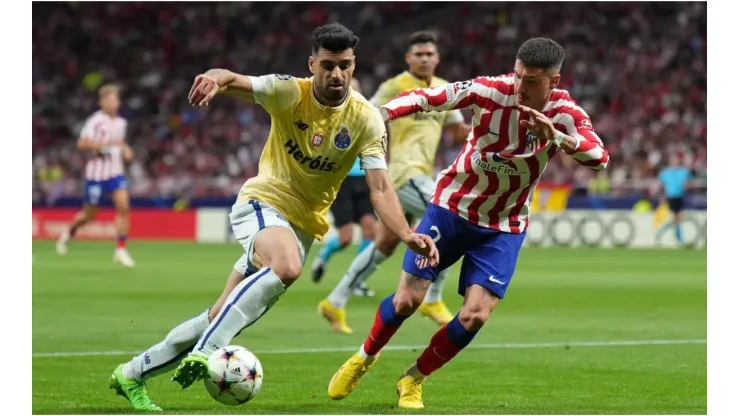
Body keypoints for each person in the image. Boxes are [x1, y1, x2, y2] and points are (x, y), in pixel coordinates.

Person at [107, 23, 438, 411]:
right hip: (262, 203)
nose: (336, 75)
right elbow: (234, 80)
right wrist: (214, 78)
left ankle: (132, 373)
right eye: (328, 65)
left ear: (353, 65)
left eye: (344, 66)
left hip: (303, 225)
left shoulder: (366, 119)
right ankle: (209, 349)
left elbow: (380, 188)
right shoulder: (288, 92)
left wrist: (404, 233)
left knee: (219, 313)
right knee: (287, 266)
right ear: (312, 64)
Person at [327, 37, 610, 409]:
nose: (520, 87)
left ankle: (413, 378)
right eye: (519, 75)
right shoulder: (490, 90)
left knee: (475, 316)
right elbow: (430, 98)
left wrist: (556, 136)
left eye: (531, 82)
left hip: (503, 226)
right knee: (406, 301)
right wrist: (383, 114)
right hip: (451, 209)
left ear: (553, 82)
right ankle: (364, 357)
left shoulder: (565, 113)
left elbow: (600, 157)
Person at [318, 31, 471, 334]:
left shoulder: (444, 90)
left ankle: (334, 302)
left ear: (437, 58)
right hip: (402, 173)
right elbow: (368, 114)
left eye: (430, 54)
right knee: (454, 217)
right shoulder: (395, 86)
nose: (425, 59)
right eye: (419, 54)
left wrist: (490, 129)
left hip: (421, 176)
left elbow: (458, 133)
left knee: (384, 245)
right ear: (409, 58)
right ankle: (434, 297)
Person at [311, 78, 379, 298]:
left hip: (364, 179)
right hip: (341, 180)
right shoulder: (329, 117)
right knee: (346, 237)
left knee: (371, 231)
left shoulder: (366, 115)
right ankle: (323, 256)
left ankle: (356, 279)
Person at [56, 84, 135, 267]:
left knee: (123, 206)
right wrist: (100, 146)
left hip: (115, 172)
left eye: (116, 99)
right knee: (89, 215)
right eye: (110, 100)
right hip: (96, 175)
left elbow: (119, 142)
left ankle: (121, 249)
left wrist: (126, 150)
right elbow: (82, 143)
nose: (114, 103)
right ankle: (69, 231)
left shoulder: (121, 123)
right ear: (102, 102)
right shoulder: (95, 121)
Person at [656, 155, 692, 246]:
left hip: (679, 197)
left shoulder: (682, 172)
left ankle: (664, 233)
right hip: (671, 197)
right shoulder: (666, 173)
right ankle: (678, 238)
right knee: (677, 218)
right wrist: (661, 197)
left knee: (677, 219)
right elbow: (660, 185)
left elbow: (687, 182)